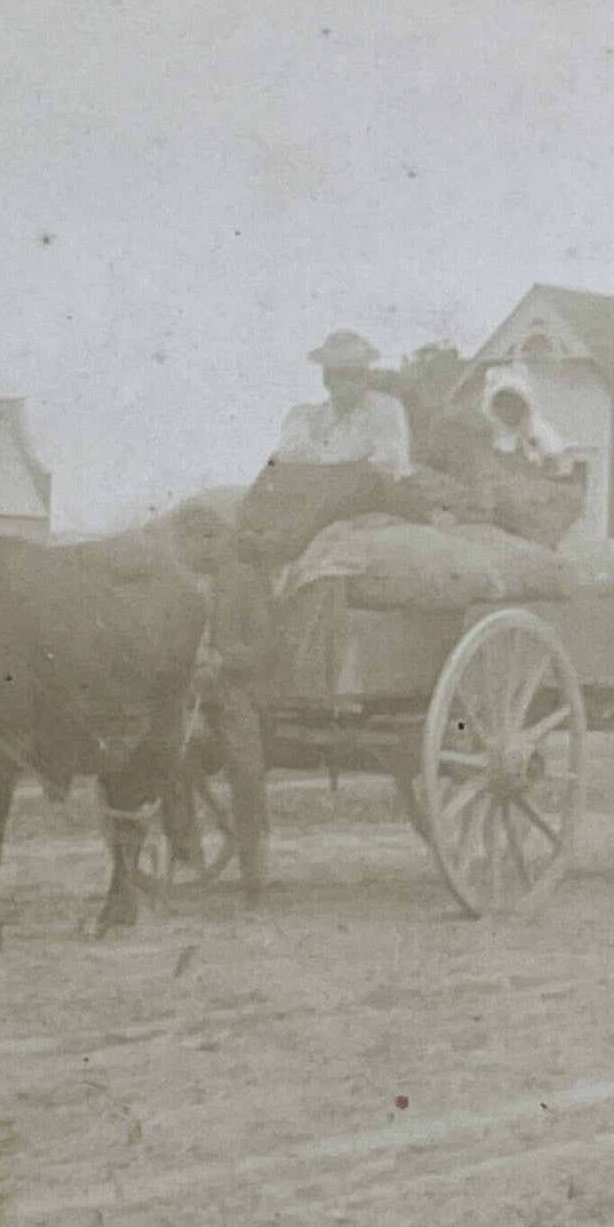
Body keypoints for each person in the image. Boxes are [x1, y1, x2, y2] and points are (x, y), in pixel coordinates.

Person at [169, 501, 274, 902]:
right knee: (171, 759)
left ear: (215, 539)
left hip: (235, 691)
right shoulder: (184, 586)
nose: (192, 553)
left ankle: (252, 863)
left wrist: (225, 661)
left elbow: (265, 647)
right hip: (190, 694)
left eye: (198, 541)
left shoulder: (245, 582)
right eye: (185, 544)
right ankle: (187, 850)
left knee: (245, 768)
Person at [273, 330, 413, 480]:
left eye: (359, 373)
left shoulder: (384, 408)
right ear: (327, 379)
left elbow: (390, 464)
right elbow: (286, 463)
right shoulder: (304, 417)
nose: (352, 382)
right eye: (343, 374)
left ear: (367, 376)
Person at [482, 367, 570, 474]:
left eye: (513, 404)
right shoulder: (503, 441)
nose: (508, 410)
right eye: (502, 405)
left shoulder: (539, 431)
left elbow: (552, 447)